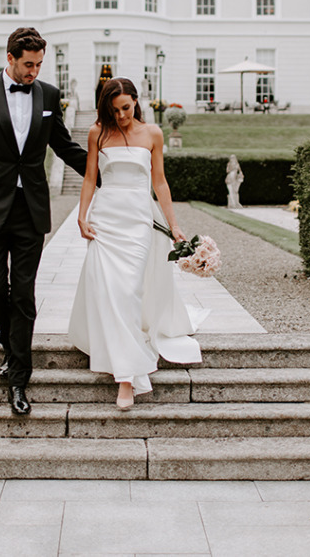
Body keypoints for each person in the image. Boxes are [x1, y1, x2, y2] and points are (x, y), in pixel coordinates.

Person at [0, 27, 88, 416]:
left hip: (31, 209)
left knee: (23, 294)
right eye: (28, 64)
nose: (34, 72)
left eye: (39, 64)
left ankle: (19, 377)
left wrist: (106, 171)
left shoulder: (49, 95)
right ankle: (11, 349)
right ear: (10, 58)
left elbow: (63, 144)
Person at [68, 78, 202, 410]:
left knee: (128, 291)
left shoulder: (153, 134)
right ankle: (126, 378)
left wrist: (174, 225)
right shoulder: (97, 133)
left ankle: (127, 371)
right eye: (115, 110)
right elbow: (89, 178)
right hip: (106, 220)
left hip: (138, 221)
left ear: (136, 102)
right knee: (108, 290)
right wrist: (82, 216)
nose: (122, 116)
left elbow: (159, 181)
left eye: (126, 108)